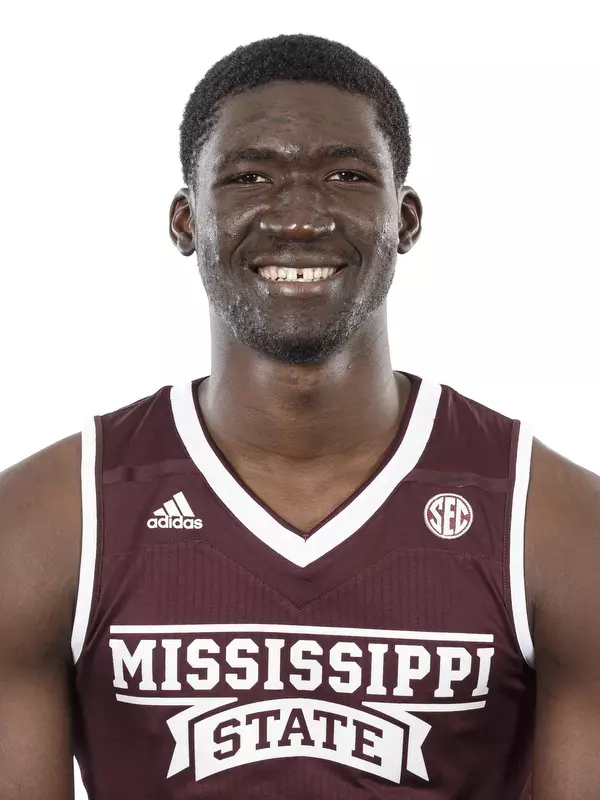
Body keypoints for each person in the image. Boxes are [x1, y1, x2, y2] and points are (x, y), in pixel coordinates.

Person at [1, 32, 598, 800]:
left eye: (347, 175)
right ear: (185, 221)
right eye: (251, 175)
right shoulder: (51, 524)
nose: (301, 217)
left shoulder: (550, 526)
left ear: (406, 219)